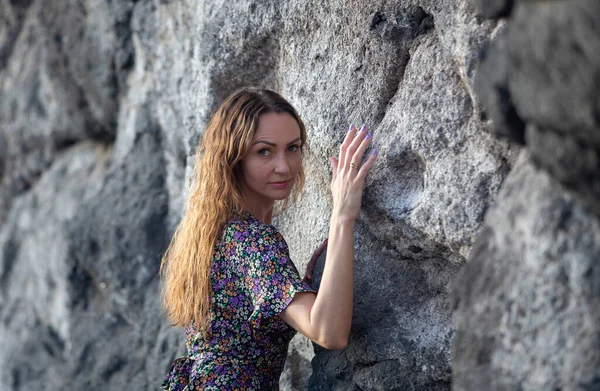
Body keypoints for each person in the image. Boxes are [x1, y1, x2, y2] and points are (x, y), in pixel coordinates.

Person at [160, 87, 377, 390]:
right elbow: (329, 331)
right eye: (264, 151)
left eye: (293, 147)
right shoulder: (251, 240)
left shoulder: (214, 232)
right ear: (234, 158)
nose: (284, 166)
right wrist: (342, 216)